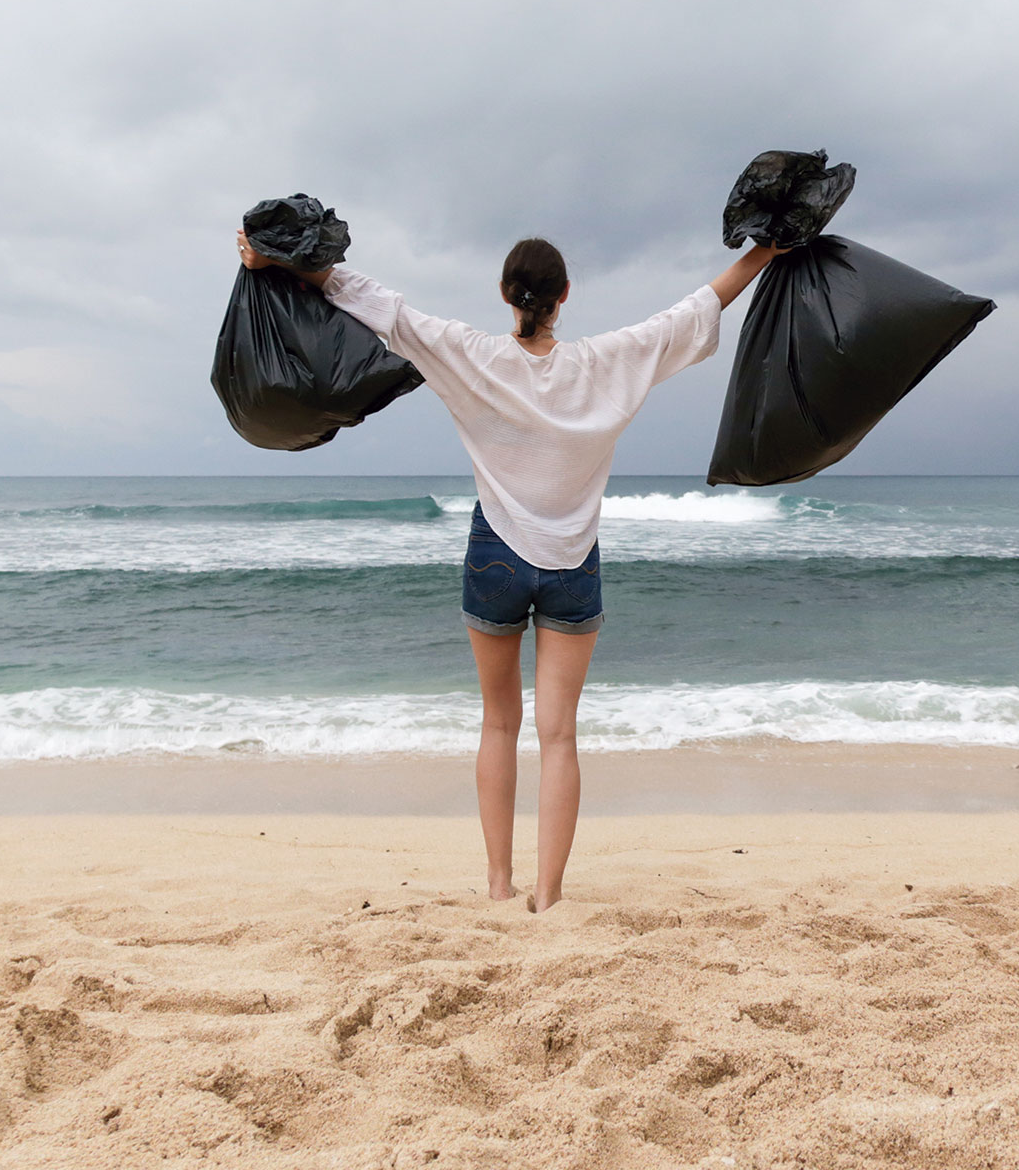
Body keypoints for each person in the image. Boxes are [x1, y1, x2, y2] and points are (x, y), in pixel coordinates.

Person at [236, 226, 784, 911]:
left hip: (495, 553)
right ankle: (548, 895)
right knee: (559, 735)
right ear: (563, 298)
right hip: (574, 561)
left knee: (499, 723)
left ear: (506, 294)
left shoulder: (473, 356)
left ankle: (499, 885)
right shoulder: (607, 362)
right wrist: (765, 254)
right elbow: (695, 310)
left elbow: (383, 306)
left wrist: (278, 258)